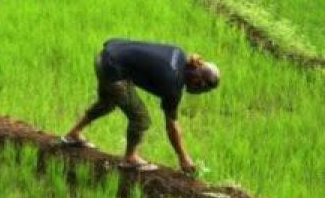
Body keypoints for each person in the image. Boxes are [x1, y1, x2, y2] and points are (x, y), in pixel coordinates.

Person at [61, 38, 220, 173]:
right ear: (199, 82)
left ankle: (73, 133)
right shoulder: (173, 85)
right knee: (140, 119)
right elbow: (172, 127)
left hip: (105, 56)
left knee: (107, 103)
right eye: (203, 90)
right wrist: (184, 158)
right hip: (113, 69)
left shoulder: (179, 54)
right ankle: (130, 157)